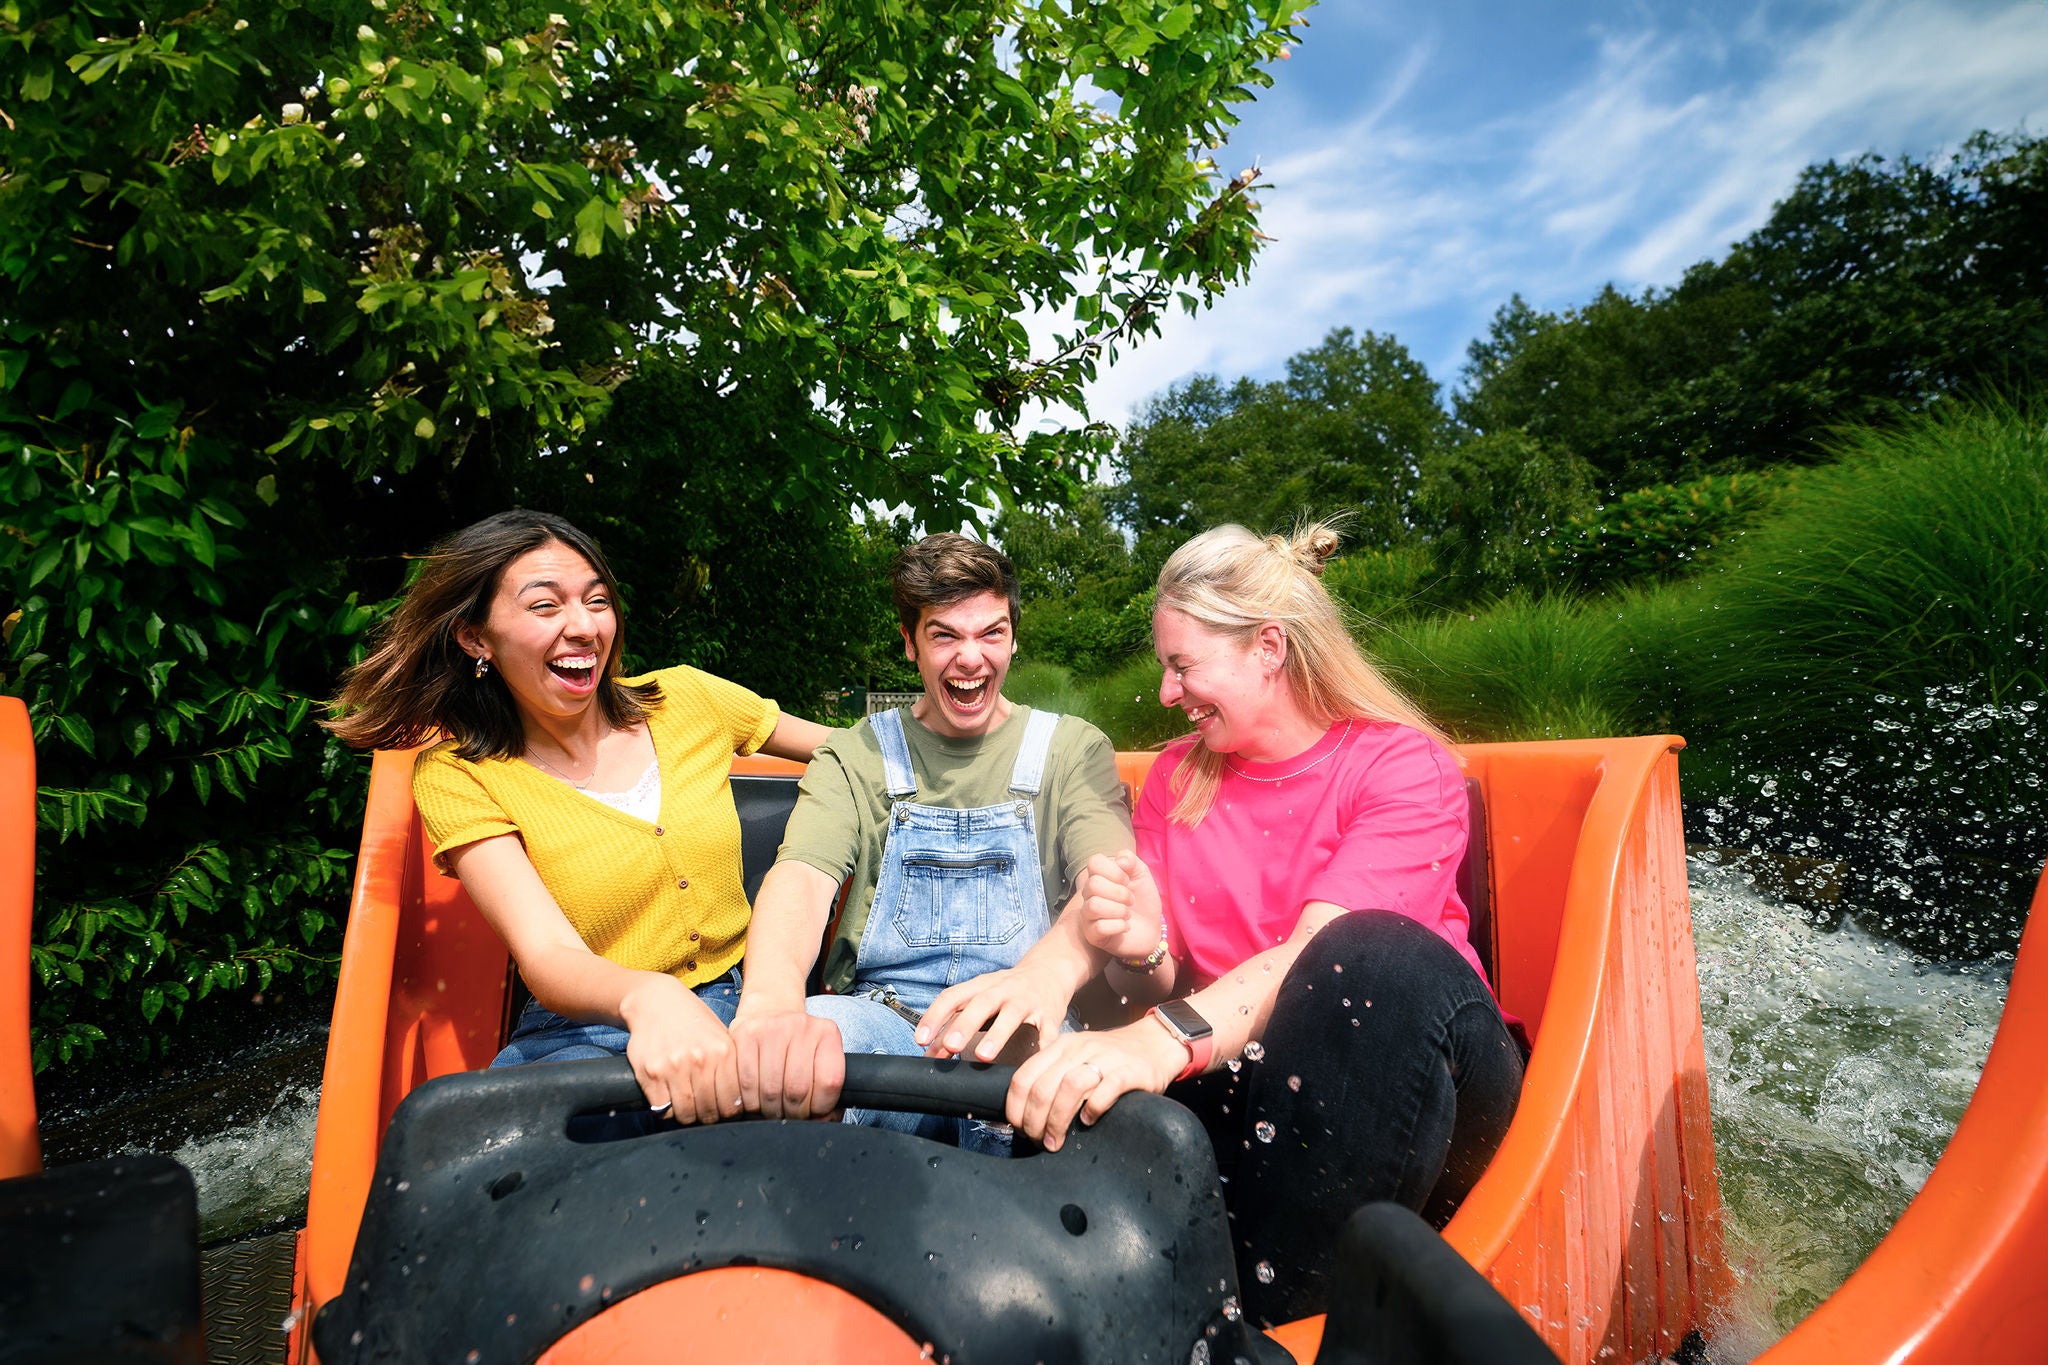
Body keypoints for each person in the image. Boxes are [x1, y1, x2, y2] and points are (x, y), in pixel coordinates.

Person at [942, 521, 1526, 1324]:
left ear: (1269, 648)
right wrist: (1059, 974)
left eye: (1182, 666)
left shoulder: (1400, 764)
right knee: (1088, 1087)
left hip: (1427, 1070)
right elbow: (1123, 925)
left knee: (1364, 956)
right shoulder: (1178, 777)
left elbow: (1316, 958)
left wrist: (1157, 1036)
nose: (1166, 692)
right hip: (1250, 1070)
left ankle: (1281, 1330)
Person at [325, 509, 830, 1126]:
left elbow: (848, 752)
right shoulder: (459, 775)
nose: (585, 627)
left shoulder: (687, 698)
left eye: (597, 601)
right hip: (585, 1027)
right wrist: (649, 997)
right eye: (545, 607)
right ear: (475, 638)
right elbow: (546, 953)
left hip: (752, 1000)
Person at [728, 533, 1132, 1147]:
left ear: (1014, 637)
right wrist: (770, 1005)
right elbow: (803, 881)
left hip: (1027, 1014)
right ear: (909, 643)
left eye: (991, 633)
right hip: (884, 1021)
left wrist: (1042, 980)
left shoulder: (1072, 749)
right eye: (945, 635)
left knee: (1085, 1094)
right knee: (802, 1054)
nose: (971, 658)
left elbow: (1108, 885)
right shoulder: (854, 754)